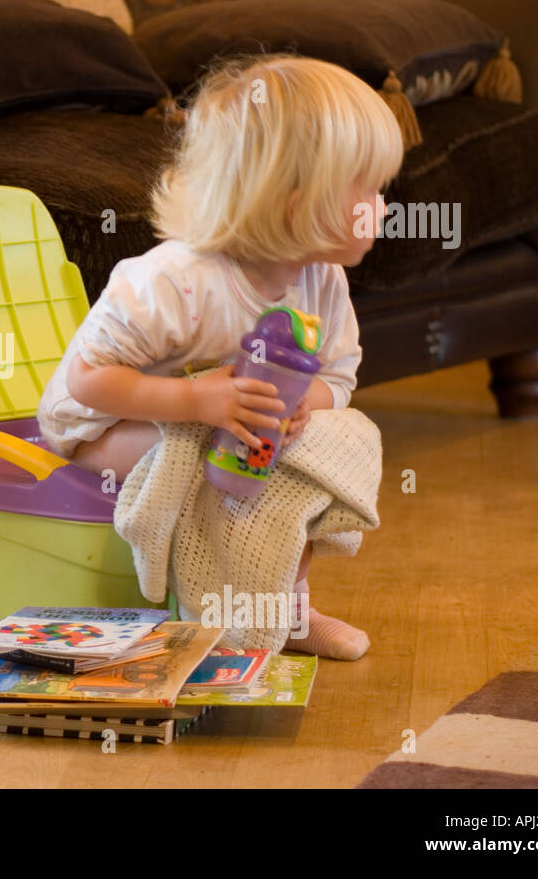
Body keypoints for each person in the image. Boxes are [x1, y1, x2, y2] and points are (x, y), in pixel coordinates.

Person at [37, 54, 402, 660]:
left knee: (312, 460)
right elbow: (87, 379)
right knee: (225, 468)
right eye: (365, 188)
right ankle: (217, 617)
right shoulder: (175, 280)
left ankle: (287, 609)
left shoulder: (322, 280)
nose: (381, 206)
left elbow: (337, 378)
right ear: (294, 202)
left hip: (227, 419)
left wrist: (296, 407)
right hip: (106, 421)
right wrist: (196, 400)